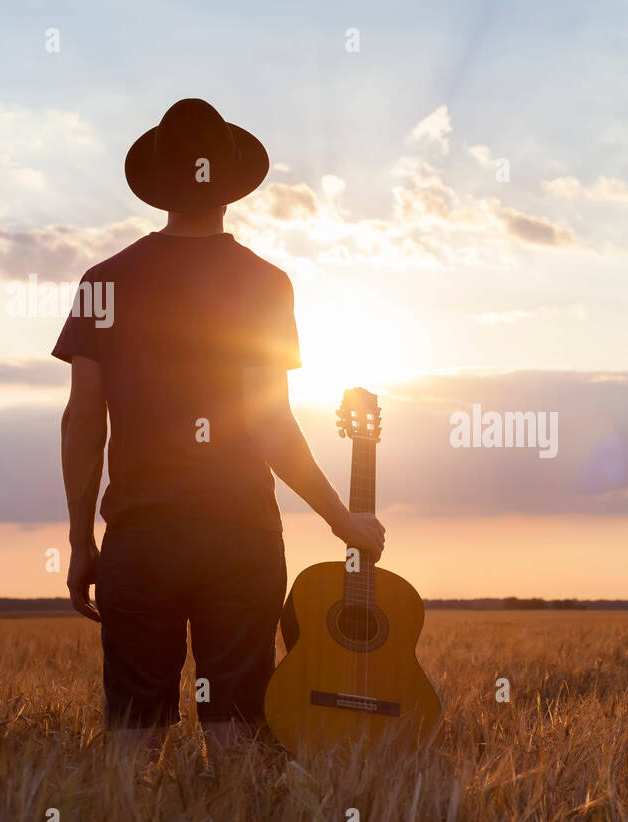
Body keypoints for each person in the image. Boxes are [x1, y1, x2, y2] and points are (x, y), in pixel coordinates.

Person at [53, 98, 384, 754]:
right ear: (231, 186)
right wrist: (341, 519)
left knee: (132, 730)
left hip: (139, 537)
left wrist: (82, 538)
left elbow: (82, 419)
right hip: (239, 536)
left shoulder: (104, 282)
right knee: (236, 721)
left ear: (159, 186)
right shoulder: (264, 282)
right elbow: (269, 426)